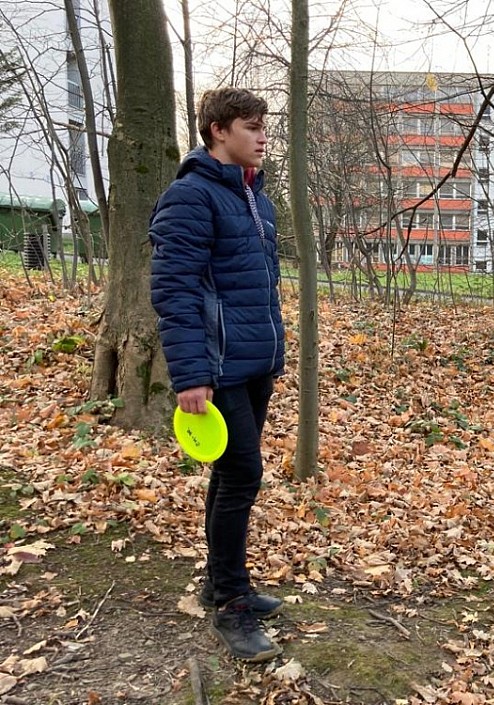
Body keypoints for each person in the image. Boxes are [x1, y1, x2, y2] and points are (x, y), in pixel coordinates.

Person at [150, 87, 286, 661]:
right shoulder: (190, 197)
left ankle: (217, 583)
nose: (262, 136)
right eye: (251, 127)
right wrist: (190, 375)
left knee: (230, 479)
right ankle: (231, 602)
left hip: (256, 363)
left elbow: (258, 288)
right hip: (218, 367)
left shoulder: (256, 197)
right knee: (243, 475)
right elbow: (174, 290)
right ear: (218, 131)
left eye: (264, 126)